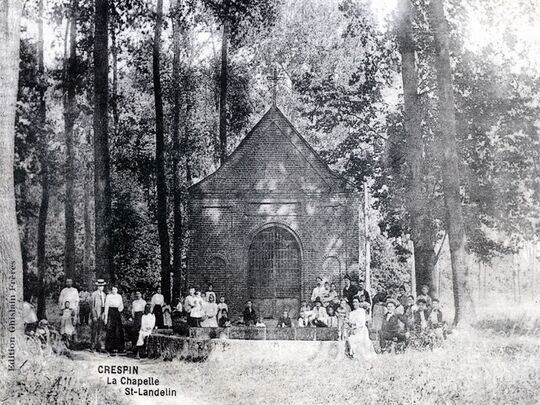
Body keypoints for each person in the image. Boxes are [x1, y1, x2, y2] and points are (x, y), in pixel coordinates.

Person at [104, 286, 125, 354]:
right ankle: (110, 347)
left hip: (117, 313)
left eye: (115, 289)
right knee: (110, 329)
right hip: (111, 312)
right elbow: (106, 305)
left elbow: (121, 305)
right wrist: (106, 316)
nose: (114, 290)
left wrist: (120, 309)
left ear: (117, 290)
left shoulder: (119, 296)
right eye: (112, 289)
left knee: (118, 330)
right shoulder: (108, 296)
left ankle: (119, 347)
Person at [90, 279, 107, 351]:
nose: (101, 287)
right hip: (95, 315)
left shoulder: (104, 295)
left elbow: (105, 306)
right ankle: (92, 345)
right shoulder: (94, 294)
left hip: (101, 315)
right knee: (94, 330)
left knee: (100, 330)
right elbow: (91, 306)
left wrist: (103, 315)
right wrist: (94, 315)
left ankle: (99, 345)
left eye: (102, 286)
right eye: (100, 286)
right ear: (97, 287)